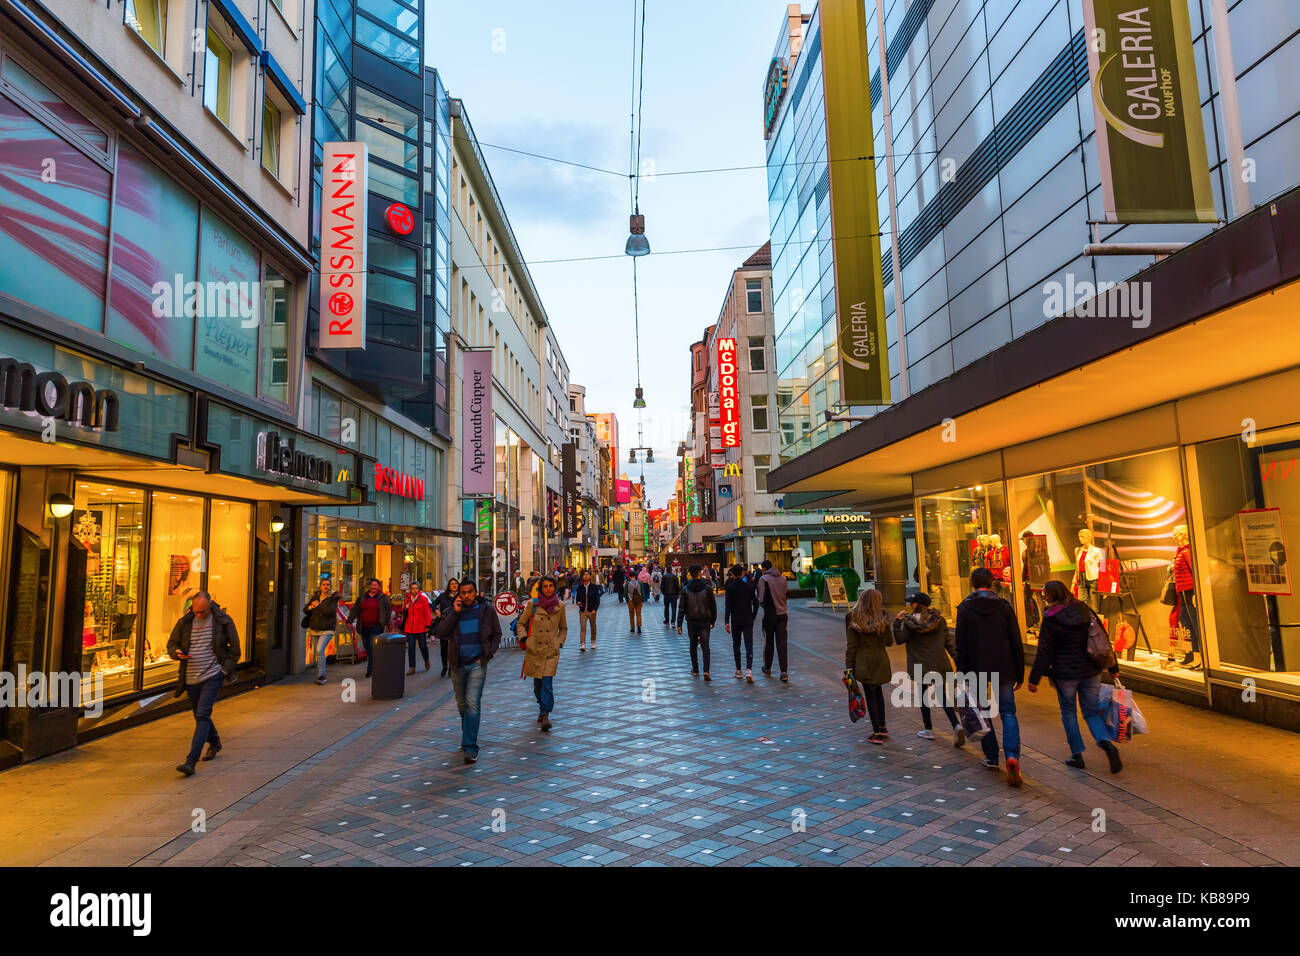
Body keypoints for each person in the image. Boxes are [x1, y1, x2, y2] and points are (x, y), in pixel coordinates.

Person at [1028, 580, 1123, 773]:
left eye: (1046, 593)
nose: (1044, 596)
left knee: (1068, 713)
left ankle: (1077, 755)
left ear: (1054, 594)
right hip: (1090, 670)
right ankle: (1106, 744)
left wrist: (1034, 678)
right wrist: (1113, 666)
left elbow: (1044, 650)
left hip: (1066, 674)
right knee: (1091, 711)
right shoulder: (1083, 608)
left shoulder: (1051, 617)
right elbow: (1101, 638)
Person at [955, 567, 1026, 787]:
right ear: (992, 583)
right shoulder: (1004, 607)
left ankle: (992, 757)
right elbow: (1016, 640)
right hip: (1004, 666)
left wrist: (963, 673)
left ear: (972, 584)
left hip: (976, 667)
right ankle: (1012, 756)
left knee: (982, 712)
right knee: (1008, 712)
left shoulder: (965, 608)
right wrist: (1020, 672)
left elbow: (961, 645)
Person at [168, 591, 240, 776]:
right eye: (196, 611)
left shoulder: (223, 621)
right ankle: (215, 742)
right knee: (201, 715)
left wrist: (223, 671)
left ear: (210, 605)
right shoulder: (185, 622)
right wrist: (177, 653)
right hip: (191, 677)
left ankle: (191, 762)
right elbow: (172, 644)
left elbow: (235, 650)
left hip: (212, 675)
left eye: (203, 612)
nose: (199, 615)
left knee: (202, 714)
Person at [434, 579, 502, 763]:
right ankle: (468, 735)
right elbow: (441, 633)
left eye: (470, 592)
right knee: (462, 704)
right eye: (463, 593)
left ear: (475, 592)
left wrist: (487, 654)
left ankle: (470, 746)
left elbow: (497, 634)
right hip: (457, 664)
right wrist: (455, 614)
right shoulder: (452, 611)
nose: (466, 596)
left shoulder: (486, 610)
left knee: (472, 703)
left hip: (477, 664)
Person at [893, 592, 963, 746]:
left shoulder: (910, 622)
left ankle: (928, 730)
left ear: (917, 604)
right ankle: (956, 725)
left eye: (911, 603)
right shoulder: (939, 620)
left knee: (924, 696)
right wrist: (957, 661)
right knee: (942, 695)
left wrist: (897, 622)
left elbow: (899, 639)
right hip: (939, 663)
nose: (909, 605)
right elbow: (949, 642)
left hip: (920, 665)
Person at [518, 575, 567, 731]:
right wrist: (525, 639)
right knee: (537, 685)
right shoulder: (533, 604)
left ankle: (546, 713)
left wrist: (559, 642)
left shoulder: (560, 606)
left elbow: (563, 628)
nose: (548, 589)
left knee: (547, 682)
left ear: (555, 587)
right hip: (534, 650)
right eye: (545, 586)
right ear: (541, 588)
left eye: (551, 586)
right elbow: (521, 623)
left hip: (551, 650)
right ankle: (541, 706)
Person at [846, 589, 893, 744]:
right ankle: (883, 726)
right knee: (878, 692)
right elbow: (889, 642)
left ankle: (876, 732)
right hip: (880, 658)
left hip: (863, 660)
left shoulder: (853, 617)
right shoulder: (883, 617)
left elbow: (851, 645)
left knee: (870, 694)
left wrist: (849, 668)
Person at [676, 564, 717, 679]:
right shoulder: (708, 588)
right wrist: (713, 619)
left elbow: (681, 608)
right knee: (705, 646)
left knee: (693, 645)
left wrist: (679, 624)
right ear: (700, 573)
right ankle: (706, 670)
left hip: (691, 621)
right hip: (705, 621)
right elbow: (712, 606)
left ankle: (695, 669)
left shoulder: (685, 589)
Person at [347, 578, 392, 679]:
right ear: (369, 586)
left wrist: (385, 621)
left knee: (372, 647)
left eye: (375, 585)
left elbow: (388, 610)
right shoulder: (363, 597)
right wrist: (349, 620)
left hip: (376, 626)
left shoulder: (383, 598)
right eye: (372, 585)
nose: (373, 587)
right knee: (367, 647)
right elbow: (356, 609)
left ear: (378, 587)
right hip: (364, 626)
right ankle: (375, 664)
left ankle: (370, 669)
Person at [302, 578, 341, 685]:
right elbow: (305, 610)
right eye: (323, 584)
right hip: (314, 628)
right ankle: (320, 675)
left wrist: (317, 605)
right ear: (320, 586)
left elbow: (330, 611)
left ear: (330, 586)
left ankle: (322, 675)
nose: (325, 586)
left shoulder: (334, 597)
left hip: (327, 628)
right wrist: (310, 607)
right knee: (317, 653)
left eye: (328, 584)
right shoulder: (315, 596)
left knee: (319, 650)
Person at [756, 560, 790, 681]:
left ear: (764, 569)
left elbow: (761, 599)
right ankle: (784, 671)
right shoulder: (783, 578)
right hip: (783, 614)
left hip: (770, 614)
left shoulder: (763, 579)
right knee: (782, 643)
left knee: (769, 641)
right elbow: (786, 594)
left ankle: (768, 667)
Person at [724, 564, 758, 682]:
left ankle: (739, 670)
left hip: (735, 619)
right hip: (747, 618)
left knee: (736, 644)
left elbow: (727, 606)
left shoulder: (729, 588)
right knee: (749, 643)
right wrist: (753, 616)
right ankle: (749, 670)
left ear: (732, 574)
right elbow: (756, 602)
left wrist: (726, 621)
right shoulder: (749, 587)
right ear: (742, 573)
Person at [402, 580, 434, 675]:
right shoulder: (407, 599)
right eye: (413, 588)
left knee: (422, 646)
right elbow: (404, 612)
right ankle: (412, 667)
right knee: (411, 647)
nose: (414, 590)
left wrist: (428, 625)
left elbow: (427, 613)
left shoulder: (423, 599)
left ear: (418, 589)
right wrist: (405, 609)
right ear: (410, 590)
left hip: (421, 626)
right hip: (410, 627)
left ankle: (426, 659)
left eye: (416, 588)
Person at [431, 578, 460, 676]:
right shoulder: (443, 596)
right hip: (444, 624)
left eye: (456, 583)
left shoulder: (461, 595)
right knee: (443, 647)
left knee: (453, 648)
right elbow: (433, 604)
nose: (454, 585)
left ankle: (452, 668)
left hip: (456, 625)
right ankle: (444, 666)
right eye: (452, 584)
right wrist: (436, 611)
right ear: (449, 585)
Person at [573, 569, 603, 651]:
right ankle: (582, 643)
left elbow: (597, 599)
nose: (586, 576)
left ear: (590, 576)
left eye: (587, 574)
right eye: (584, 574)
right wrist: (578, 603)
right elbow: (578, 598)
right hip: (583, 610)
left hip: (592, 610)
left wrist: (595, 609)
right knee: (583, 627)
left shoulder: (594, 587)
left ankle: (593, 641)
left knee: (593, 626)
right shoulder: (580, 587)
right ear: (582, 577)